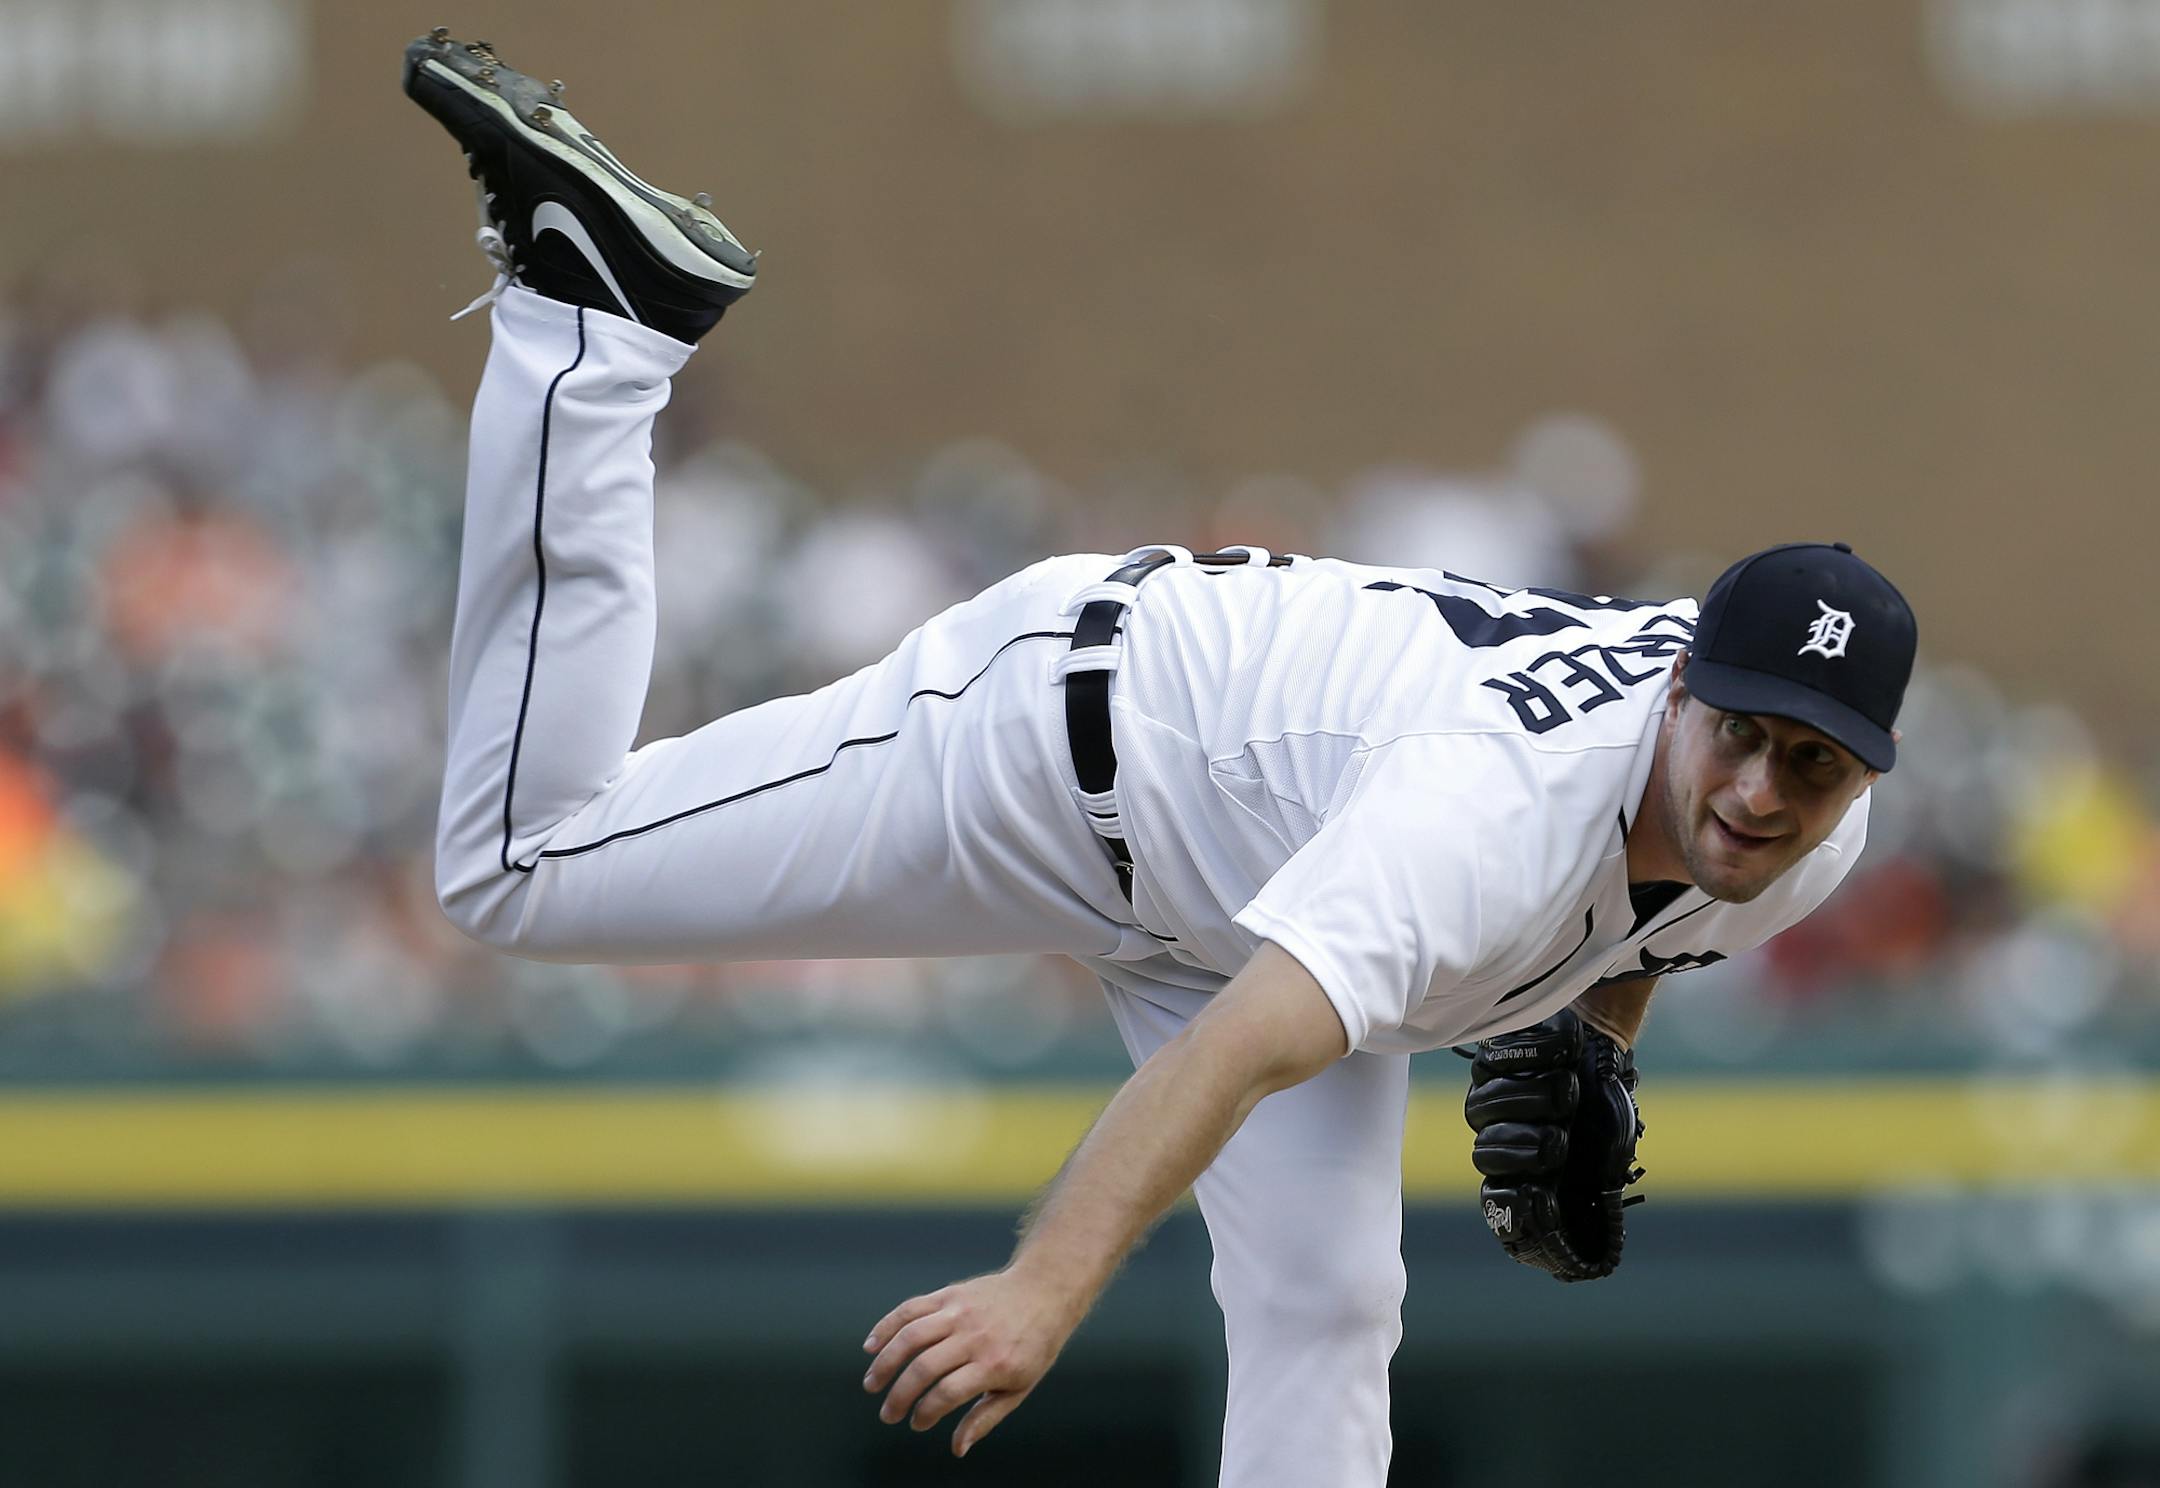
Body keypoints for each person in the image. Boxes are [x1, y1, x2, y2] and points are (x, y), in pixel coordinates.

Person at [403, 32, 1917, 1485]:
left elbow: (1673, 894)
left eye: (1814, 765)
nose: (1762, 791)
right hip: (1067, 750)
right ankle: (590, 330)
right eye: (1743, 737)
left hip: (1256, 853)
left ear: (1863, 773)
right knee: (517, 869)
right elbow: (1238, 1048)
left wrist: (1598, 1029)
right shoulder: (1493, 818)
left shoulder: (1802, 835)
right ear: (1681, 697)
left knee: (1327, 1302)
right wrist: (1041, 1289)